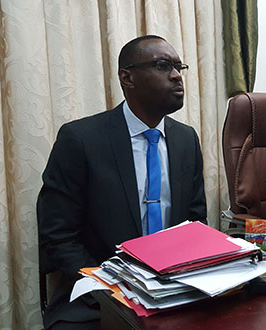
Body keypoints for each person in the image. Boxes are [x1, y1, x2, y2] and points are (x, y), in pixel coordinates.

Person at [37, 35, 207, 329]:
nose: (177, 76)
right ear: (127, 77)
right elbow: (58, 235)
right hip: (99, 293)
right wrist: (110, 286)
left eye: (180, 67)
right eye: (163, 65)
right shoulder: (81, 139)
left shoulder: (185, 139)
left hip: (174, 291)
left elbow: (194, 222)